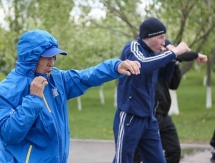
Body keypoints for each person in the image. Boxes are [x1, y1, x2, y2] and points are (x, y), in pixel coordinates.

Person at [0, 29, 141, 163]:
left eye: (54, 56)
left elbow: (86, 77)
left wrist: (115, 67)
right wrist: (33, 99)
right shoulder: (8, 89)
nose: (52, 62)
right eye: (47, 57)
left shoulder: (56, 78)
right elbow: (9, 134)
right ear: (32, 57)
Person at [112, 17, 191, 163]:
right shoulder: (132, 48)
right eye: (161, 37)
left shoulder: (154, 55)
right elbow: (142, 65)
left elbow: (165, 77)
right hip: (130, 117)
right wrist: (172, 53)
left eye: (165, 38)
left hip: (149, 119)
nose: (163, 42)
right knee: (124, 160)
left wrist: (172, 60)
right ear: (148, 36)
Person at [133, 39, 208, 163]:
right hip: (148, 116)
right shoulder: (151, 60)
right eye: (168, 49)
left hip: (163, 115)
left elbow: (173, 85)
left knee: (174, 151)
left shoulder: (168, 64)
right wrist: (194, 55)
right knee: (137, 153)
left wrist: (177, 64)